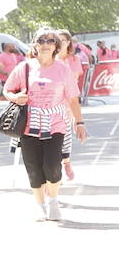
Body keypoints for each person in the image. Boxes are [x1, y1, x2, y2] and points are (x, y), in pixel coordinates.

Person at [3, 30, 84, 221]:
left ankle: (53, 201)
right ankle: (40, 205)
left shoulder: (63, 69)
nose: (46, 43)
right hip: (28, 125)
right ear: (35, 45)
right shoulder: (24, 68)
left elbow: (72, 99)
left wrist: (79, 123)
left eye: (50, 41)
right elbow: (7, 90)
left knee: (52, 165)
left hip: (55, 124)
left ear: (56, 46)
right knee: (33, 167)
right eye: (41, 40)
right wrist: (15, 97)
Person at [57, 30, 84, 181]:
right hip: (52, 105)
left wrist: (76, 117)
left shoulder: (74, 60)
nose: (61, 42)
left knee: (66, 137)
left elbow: (73, 87)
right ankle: (56, 170)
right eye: (58, 39)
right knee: (55, 138)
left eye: (64, 40)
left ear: (68, 42)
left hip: (68, 103)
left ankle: (66, 161)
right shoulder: (49, 60)